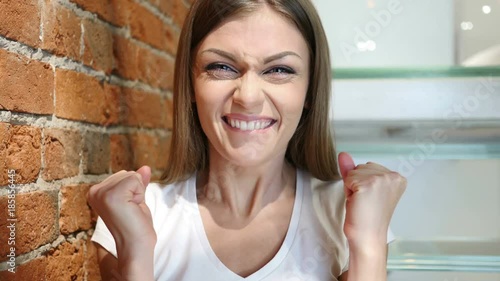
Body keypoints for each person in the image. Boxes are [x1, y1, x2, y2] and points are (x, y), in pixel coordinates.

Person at [88, 0, 407, 280]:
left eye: (279, 69)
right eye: (222, 67)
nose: (249, 97)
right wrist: (136, 256)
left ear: (310, 90)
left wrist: (369, 239)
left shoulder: (346, 214)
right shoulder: (138, 219)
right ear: (191, 84)